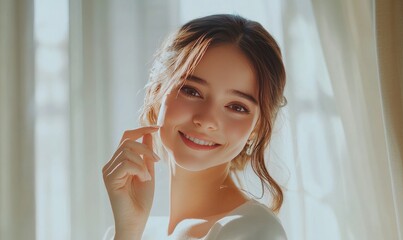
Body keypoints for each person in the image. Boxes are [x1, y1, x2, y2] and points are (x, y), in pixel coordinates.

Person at [102, 14, 287, 240]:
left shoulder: (250, 232)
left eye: (236, 107)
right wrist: (129, 230)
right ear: (157, 91)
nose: (206, 119)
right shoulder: (133, 229)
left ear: (257, 127)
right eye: (192, 91)